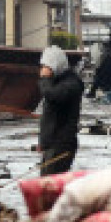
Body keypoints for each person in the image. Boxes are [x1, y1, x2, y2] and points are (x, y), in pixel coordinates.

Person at [38, 45, 82, 176]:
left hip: (61, 145)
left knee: (50, 184)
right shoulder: (58, 82)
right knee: (45, 183)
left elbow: (52, 96)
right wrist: (43, 142)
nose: (43, 70)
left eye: (47, 66)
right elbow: (48, 117)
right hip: (51, 144)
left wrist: (44, 79)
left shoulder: (71, 84)